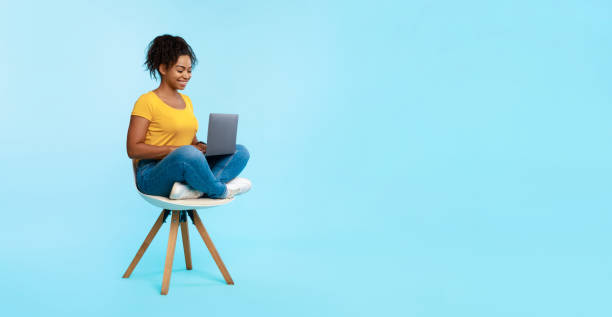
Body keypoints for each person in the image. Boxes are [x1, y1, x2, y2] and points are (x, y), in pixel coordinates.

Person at [126, 34, 251, 200]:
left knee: (240, 151)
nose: (187, 75)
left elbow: (190, 142)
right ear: (163, 69)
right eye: (180, 70)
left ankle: (194, 189)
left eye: (189, 71)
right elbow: (133, 149)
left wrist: (202, 146)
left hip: (186, 163)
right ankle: (220, 190)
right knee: (188, 154)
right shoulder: (146, 101)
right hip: (153, 174)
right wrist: (174, 150)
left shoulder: (187, 101)